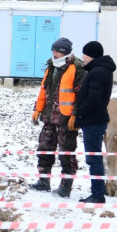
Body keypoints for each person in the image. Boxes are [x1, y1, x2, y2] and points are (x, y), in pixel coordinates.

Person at [29, 37, 85, 197]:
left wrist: (75, 115)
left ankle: (66, 187)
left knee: (66, 152)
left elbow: (81, 96)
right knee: (44, 149)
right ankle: (43, 181)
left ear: (65, 52)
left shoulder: (77, 68)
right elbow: (43, 91)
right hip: (49, 117)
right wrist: (37, 109)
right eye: (53, 50)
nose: (54, 53)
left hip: (66, 119)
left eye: (57, 51)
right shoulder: (51, 66)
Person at [71, 40, 116, 204]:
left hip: (93, 121)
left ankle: (98, 194)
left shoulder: (97, 72)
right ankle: (97, 192)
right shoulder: (101, 70)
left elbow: (94, 99)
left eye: (85, 53)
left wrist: (79, 113)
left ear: (91, 55)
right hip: (95, 119)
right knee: (94, 157)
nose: (82, 57)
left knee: (93, 158)